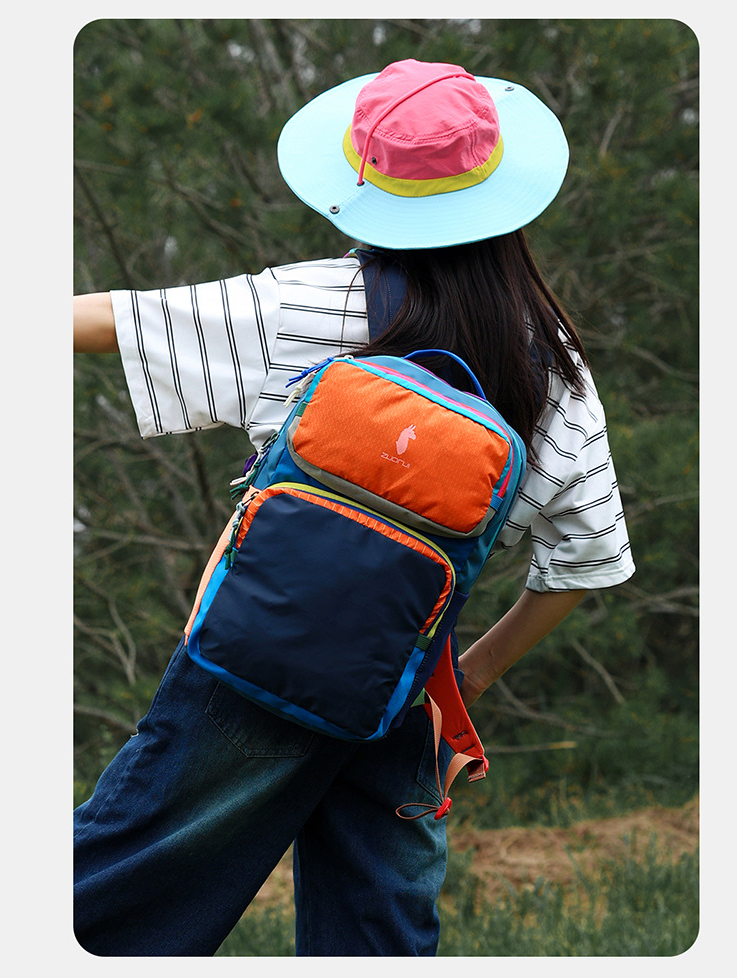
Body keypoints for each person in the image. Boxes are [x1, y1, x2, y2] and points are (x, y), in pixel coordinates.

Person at [73, 58, 635, 956]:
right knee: (378, 931)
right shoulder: (553, 365)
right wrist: (468, 682)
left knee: (110, 888)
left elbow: (106, 322)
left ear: (364, 188)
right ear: (502, 194)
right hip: (405, 681)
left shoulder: (302, 302)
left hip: (249, 657)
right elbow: (588, 559)